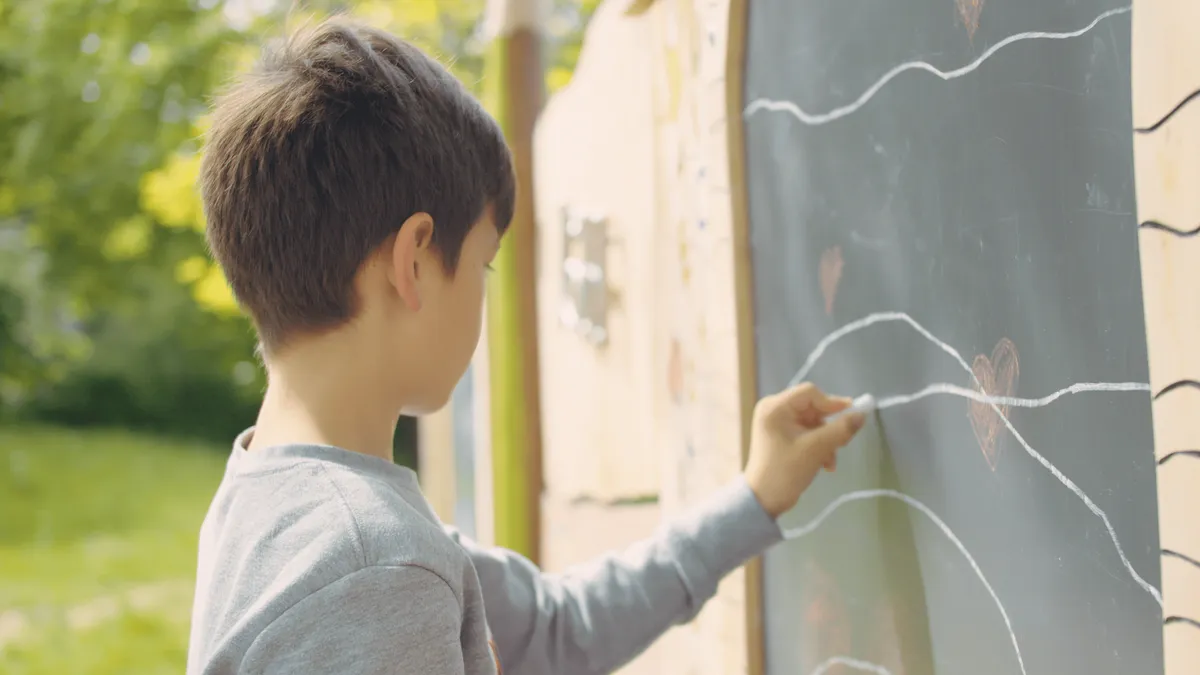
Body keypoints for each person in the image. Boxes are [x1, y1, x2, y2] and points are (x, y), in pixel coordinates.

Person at [185, 16, 866, 675]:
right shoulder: (373, 563)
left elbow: (555, 630)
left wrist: (753, 498)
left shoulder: (277, 506)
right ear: (414, 261)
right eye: (484, 263)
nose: (483, 289)